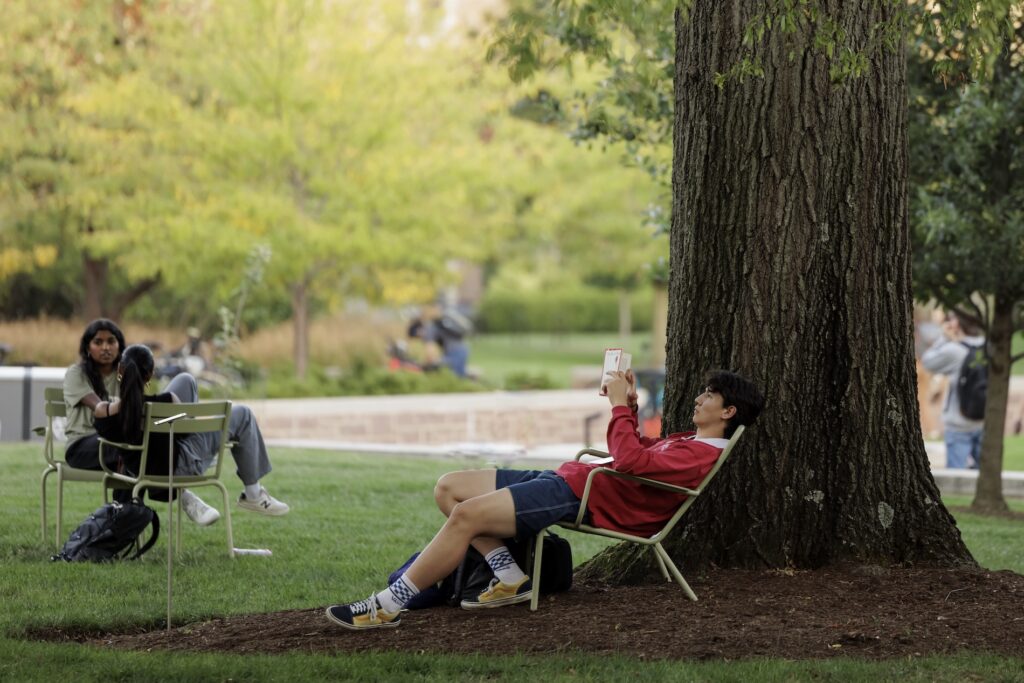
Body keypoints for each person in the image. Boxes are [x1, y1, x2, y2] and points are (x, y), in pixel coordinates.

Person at [325, 368, 764, 630]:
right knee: (449, 486)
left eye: (710, 395)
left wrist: (618, 409)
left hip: (578, 495)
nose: (698, 397)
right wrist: (627, 403)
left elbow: (628, 460)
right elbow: (638, 455)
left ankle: (386, 607)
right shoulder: (687, 439)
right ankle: (509, 574)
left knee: (465, 516)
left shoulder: (697, 455)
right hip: (568, 479)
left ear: (728, 412)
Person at [92, 344, 290, 525]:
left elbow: (128, 418)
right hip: (180, 466)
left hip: (138, 471)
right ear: (150, 375)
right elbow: (186, 431)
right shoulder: (168, 401)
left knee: (186, 380)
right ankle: (253, 494)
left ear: (120, 371)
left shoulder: (103, 411)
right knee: (243, 414)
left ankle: (184, 494)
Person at [921, 311, 986, 469]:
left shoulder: (955, 350)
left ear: (956, 324)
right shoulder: (988, 347)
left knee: (958, 480)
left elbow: (927, 362)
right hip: (985, 422)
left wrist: (944, 337)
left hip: (958, 425)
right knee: (982, 475)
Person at [63, 319, 127, 472]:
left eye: (111, 341)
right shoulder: (76, 373)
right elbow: (100, 409)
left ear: (119, 346)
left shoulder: (126, 374)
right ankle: (125, 497)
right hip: (81, 445)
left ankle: (180, 491)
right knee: (130, 448)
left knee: (144, 446)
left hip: (115, 442)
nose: (106, 347)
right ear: (88, 348)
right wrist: (129, 404)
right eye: (98, 342)